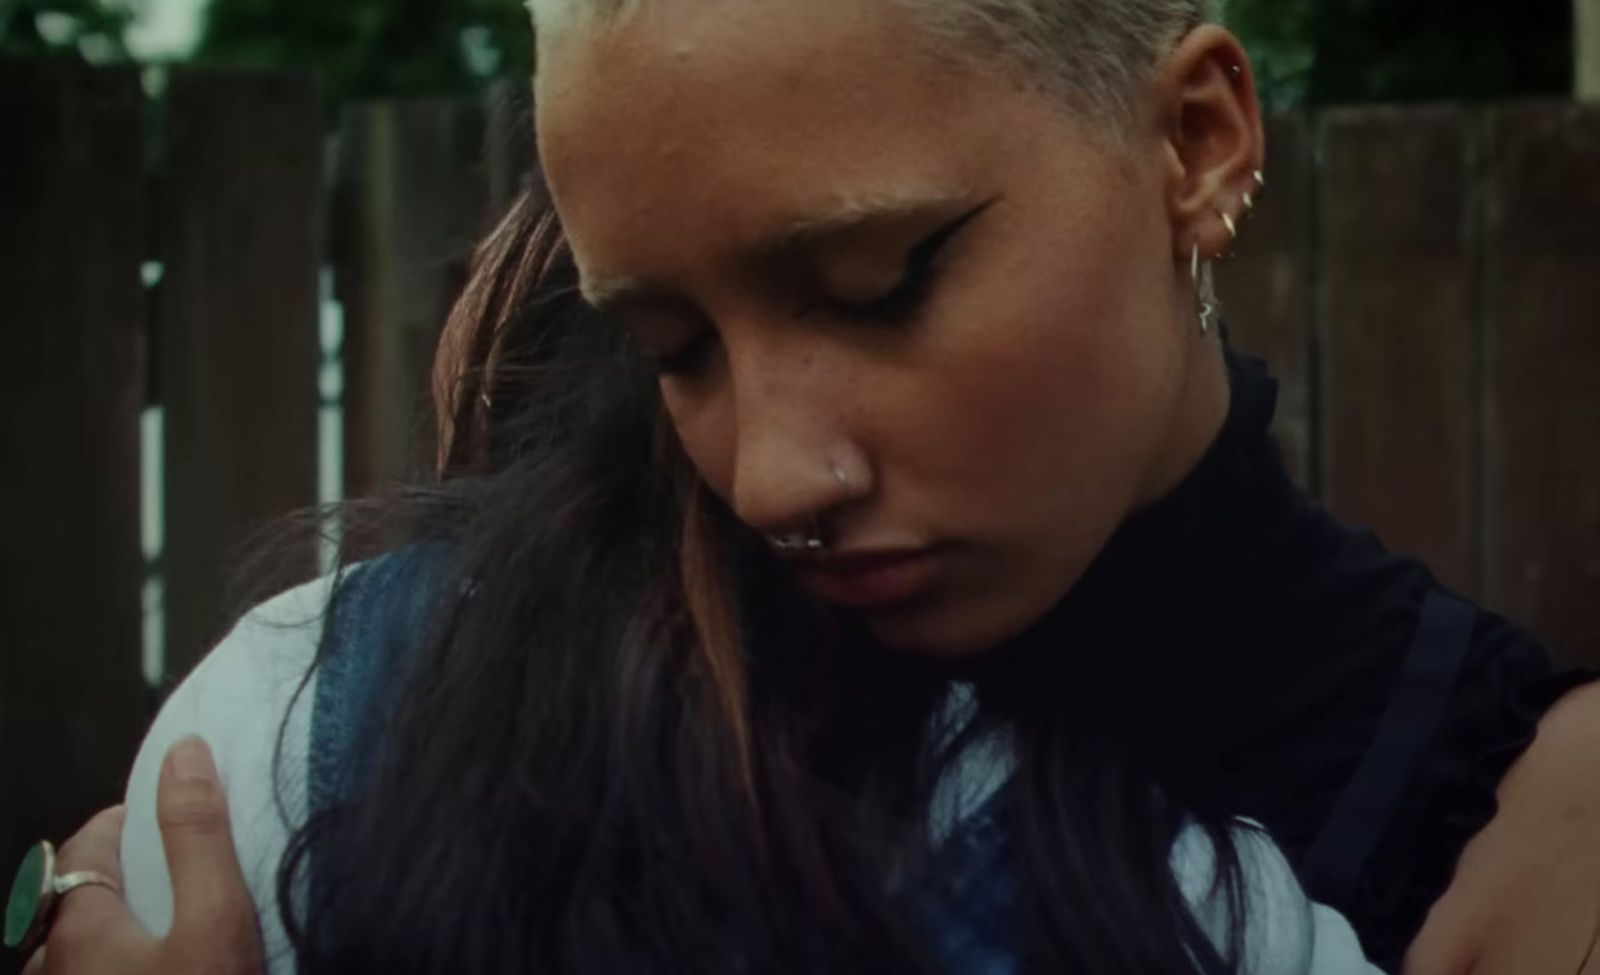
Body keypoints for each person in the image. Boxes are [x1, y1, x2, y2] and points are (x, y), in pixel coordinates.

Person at [17, 0, 1600, 971]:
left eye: (878, 285)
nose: (773, 477)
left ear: (1194, 140)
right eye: (674, 346)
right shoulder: (361, 714)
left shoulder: (1524, 821)